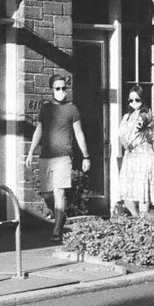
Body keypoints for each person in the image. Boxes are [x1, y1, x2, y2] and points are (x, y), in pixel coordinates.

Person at [24, 73, 90, 238]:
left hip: (64, 157)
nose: (61, 91)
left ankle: (57, 229)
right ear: (51, 90)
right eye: (58, 88)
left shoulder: (72, 109)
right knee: (47, 195)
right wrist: (31, 152)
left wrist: (86, 156)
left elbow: (79, 133)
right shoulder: (45, 108)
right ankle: (60, 215)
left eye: (63, 88)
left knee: (59, 192)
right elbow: (39, 130)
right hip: (46, 156)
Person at [113, 86, 154, 216]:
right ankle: (136, 218)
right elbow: (121, 135)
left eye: (137, 100)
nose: (134, 103)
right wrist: (125, 144)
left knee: (143, 191)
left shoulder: (147, 115)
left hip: (144, 156)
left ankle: (144, 217)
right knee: (127, 192)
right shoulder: (126, 117)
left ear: (142, 100)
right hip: (131, 157)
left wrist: (147, 130)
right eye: (131, 100)